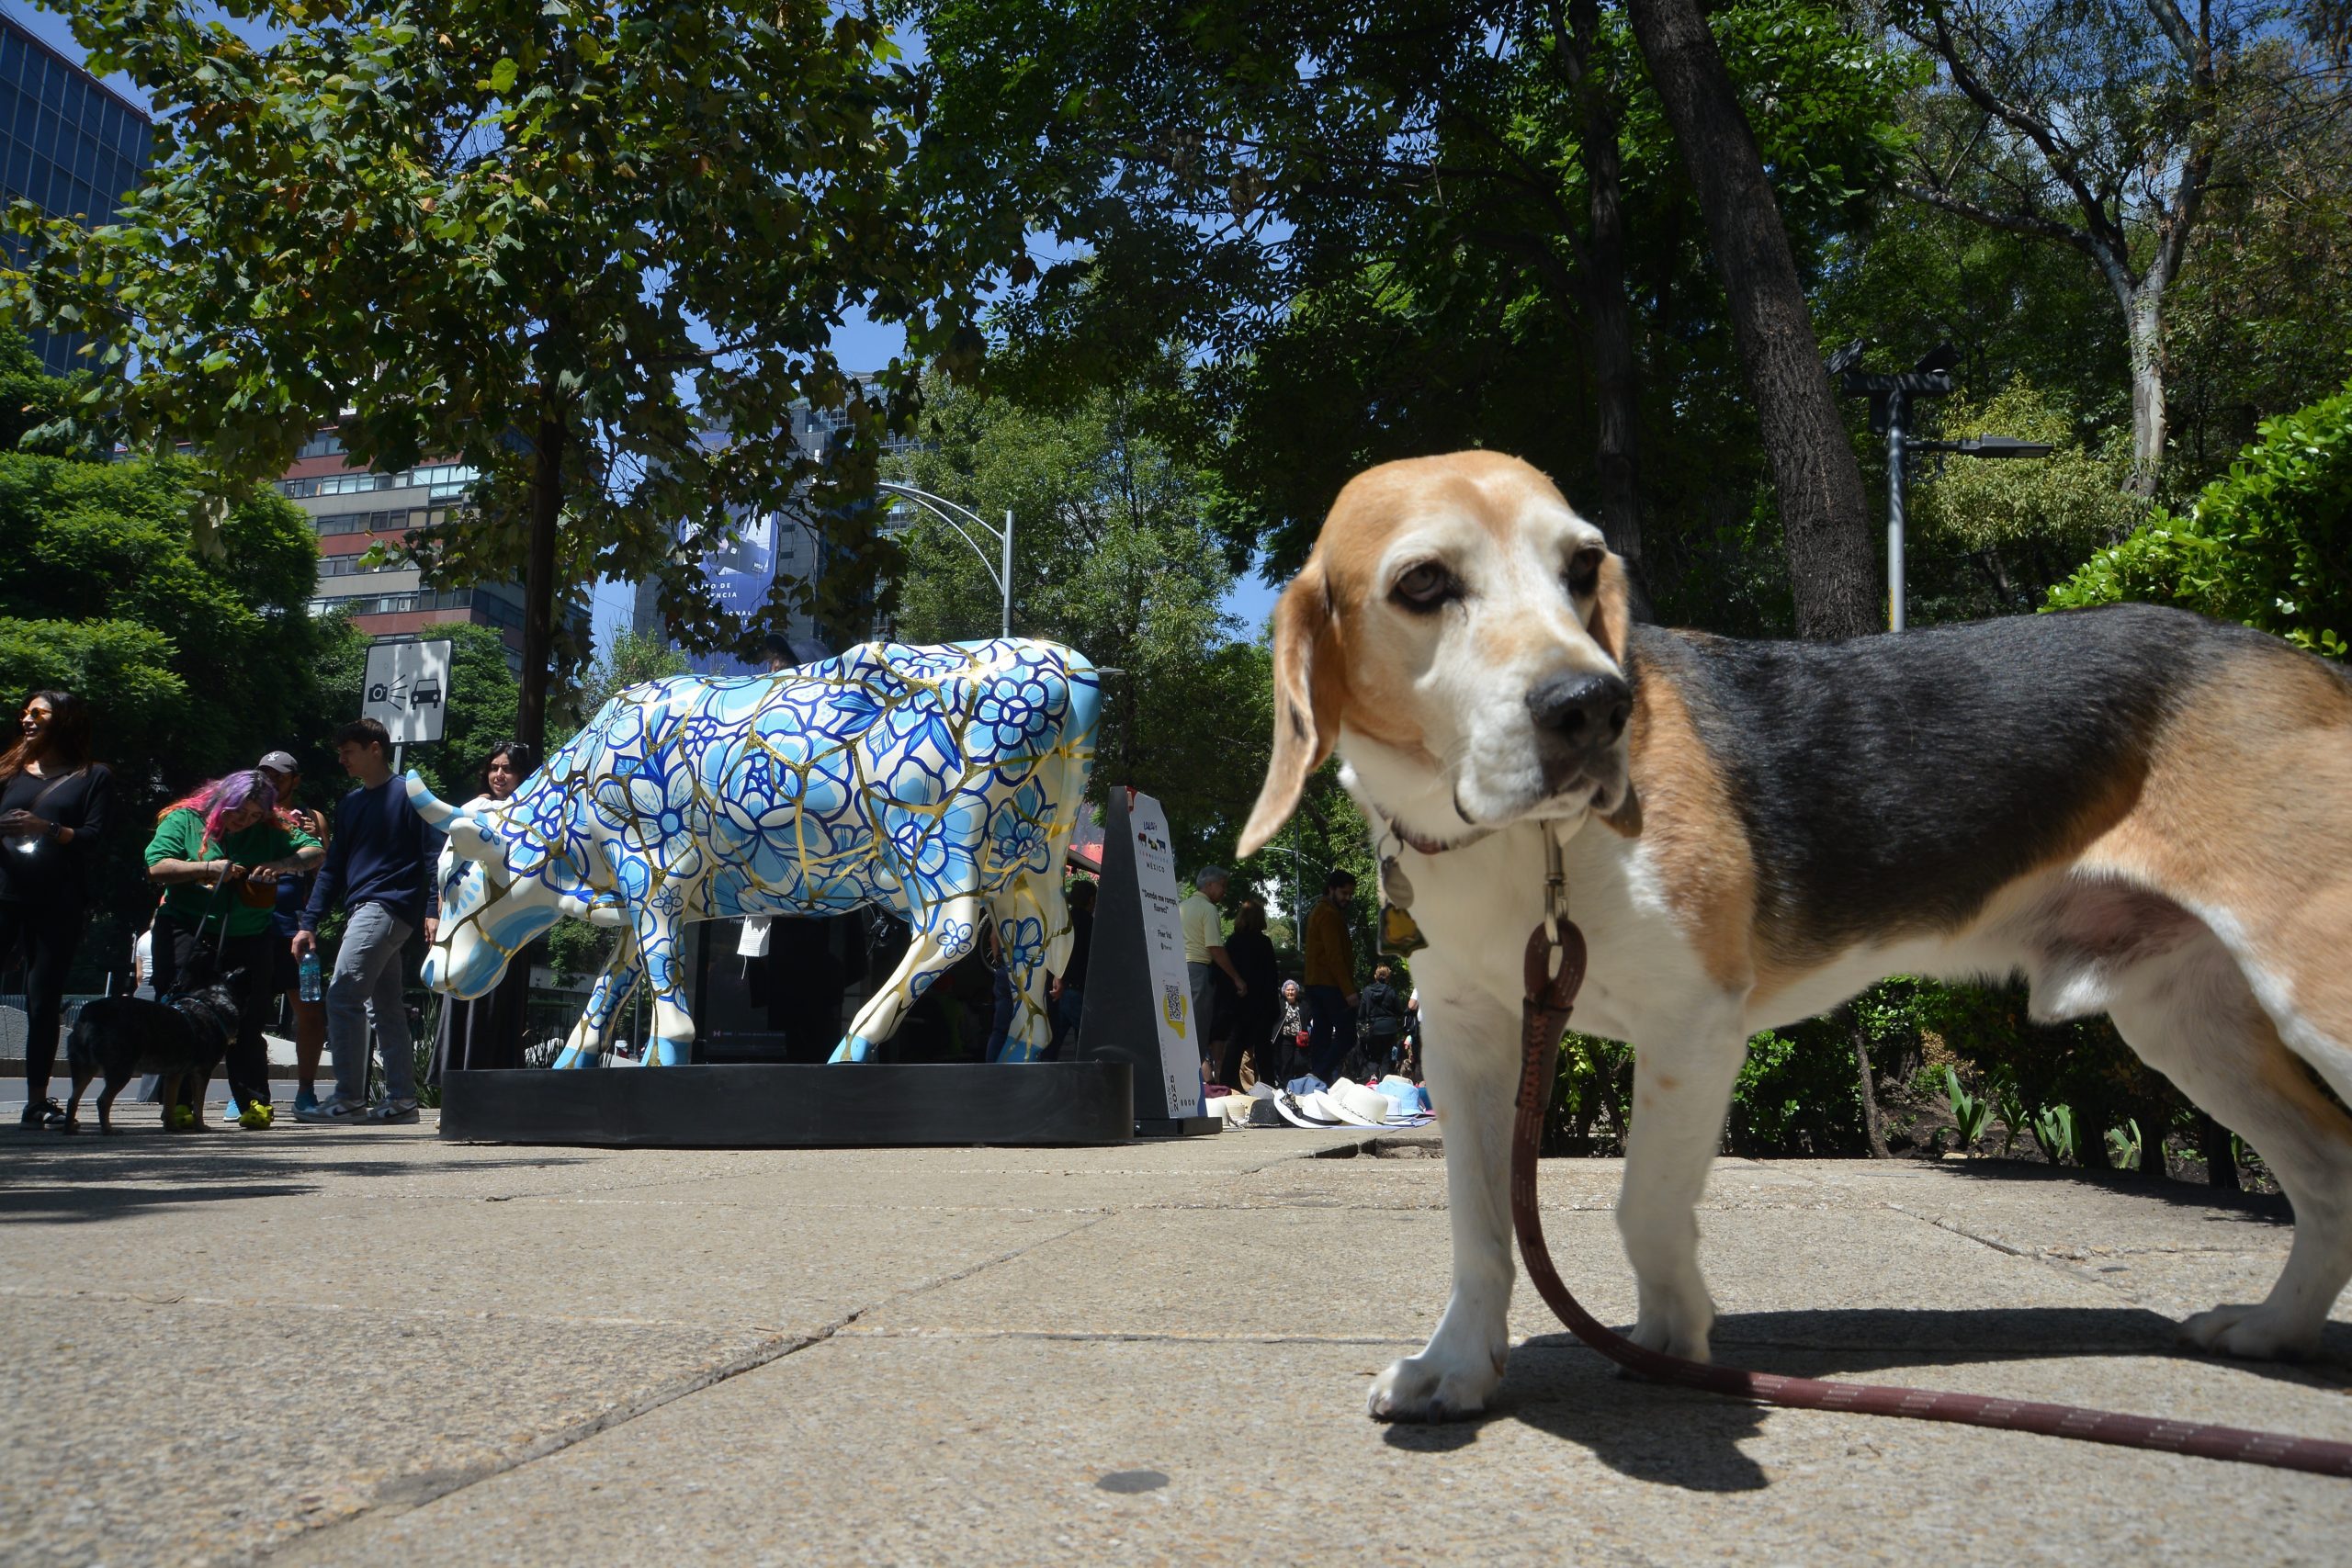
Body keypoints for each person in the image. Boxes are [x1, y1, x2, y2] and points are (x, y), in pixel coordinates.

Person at [144, 771, 322, 1128]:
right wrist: (205, 868)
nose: (246, 821)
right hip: (187, 927)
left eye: (256, 815)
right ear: (223, 800)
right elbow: (157, 866)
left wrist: (281, 866)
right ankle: (177, 1104)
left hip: (250, 933)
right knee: (181, 1016)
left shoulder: (273, 826)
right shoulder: (185, 819)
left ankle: (254, 1103)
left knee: (249, 1019)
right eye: (240, 812)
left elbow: (315, 850)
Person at [291, 718, 443, 1124]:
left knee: (342, 996)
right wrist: (309, 922)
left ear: (375, 749)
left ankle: (347, 1099)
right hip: (363, 909)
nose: (341, 759)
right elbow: (333, 867)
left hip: (388, 907)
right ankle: (402, 1101)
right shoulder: (351, 803)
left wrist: (433, 908)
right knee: (387, 1008)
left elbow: (435, 858)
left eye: (348, 751)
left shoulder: (411, 795)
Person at [1, 690, 115, 1128]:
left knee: (41, 1002)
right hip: (4, 893)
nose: (26, 719)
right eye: (25, 713)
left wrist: (44, 827)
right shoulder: (8, 770)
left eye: (38, 713)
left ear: (64, 721)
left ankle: (35, 1101)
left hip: (57, 901)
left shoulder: (94, 776)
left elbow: (93, 838)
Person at [432, 741, 537, 1076]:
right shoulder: (473, 808)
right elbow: (447, 869)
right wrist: (438, 916)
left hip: (510, 928)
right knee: (463, 999)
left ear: (522, 774)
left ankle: (493, 1093)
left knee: (499, 1008)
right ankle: (456, 1089)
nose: (499, 775)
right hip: (467, 924)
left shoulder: (531, 812)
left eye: (507, 768)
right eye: (494, 768)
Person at [255, 750, 332, 1114]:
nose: (270, 781)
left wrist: (316, 838)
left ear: (294, 780)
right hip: (254, 923)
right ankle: (250, 1089)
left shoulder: (313, 818)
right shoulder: (250, 812)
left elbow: (328, 871)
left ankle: (305, 1091)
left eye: (278, 776)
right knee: (247, 1010)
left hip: (297, 929)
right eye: (264, 774)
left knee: (311, 1011)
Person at [1178, 866, 1243, 1079]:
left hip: (1177, 971)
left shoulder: (1181, 906)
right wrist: (1236, 978)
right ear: (1209, 885)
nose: (1224, 891)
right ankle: (1191, 1081)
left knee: (1180, 1030)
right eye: (1222, 886)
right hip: (1198, 972)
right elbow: (1214, 948)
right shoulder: (1208, 909)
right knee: (1197, 1030)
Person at [1303, 867, 1361, 1083]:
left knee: (1322, 1036)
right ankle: (1317, 1075)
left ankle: (1317, 1083)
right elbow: (1334, 956)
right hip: (1330, 985)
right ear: (1331, 889)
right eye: (1344, 893)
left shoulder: (1321, 911)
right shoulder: (1328, 914)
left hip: (1316, 984)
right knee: (1346, 1036)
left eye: (1350, 894)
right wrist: (1349, 991)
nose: (1348, 898)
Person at [1222, 898, 1281, 1089]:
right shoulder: (1264, 943)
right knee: (1263, 1051)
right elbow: (1271, 977)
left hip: (1239, 1004)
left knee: (1235, 1047)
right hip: (1261, 1005)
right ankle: (1268, 1086)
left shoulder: (1232, 941)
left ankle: (1227, 1085)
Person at [1047, 879, 1094, 1057]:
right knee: (1084, 1044)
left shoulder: (1063, 921)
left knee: (1052, 1041)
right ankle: (1080, 1080)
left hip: (1057, 989)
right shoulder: (1090, 925)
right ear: (1091, 900)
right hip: (1078, 990)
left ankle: (1042, 1075)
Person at [1358, 963, 1408, 1077]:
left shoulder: (1367, 991)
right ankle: (1384, 1081)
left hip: (1373, 1028)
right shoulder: (1391, 991)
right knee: (1386, 1057)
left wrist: (1361, 1024)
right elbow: (1399, 1010)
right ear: (1388, 977)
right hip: (1389, 1028)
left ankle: (1372, 1079)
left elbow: (1361, 1013)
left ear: (1375, 976)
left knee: (1373, 1056)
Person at [1272, 979, 1307, 1086]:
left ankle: (1298, 1084)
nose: (1290, 992)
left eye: (1292, 990)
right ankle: (1286, 1085)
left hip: (1300, 1039)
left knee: (1300, 1063)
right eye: (1288, 990)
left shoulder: (1303, 1005)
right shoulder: (1280, 1003)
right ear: (1284, 991)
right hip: (1285, 1038)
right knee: (1286, 1063)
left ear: (1296, 992)